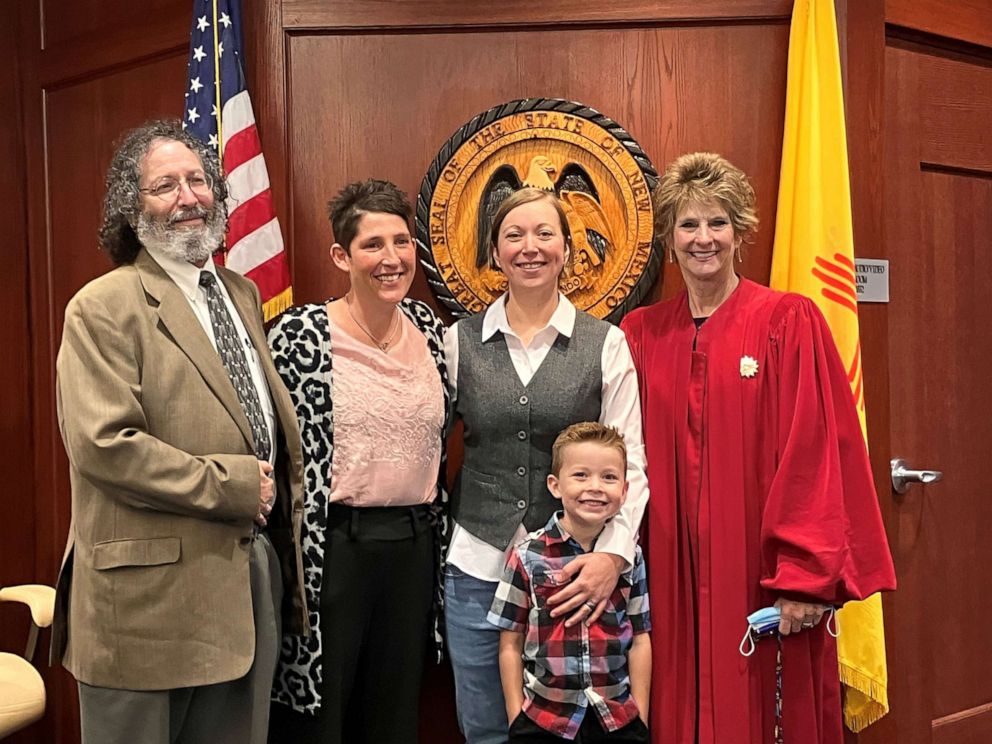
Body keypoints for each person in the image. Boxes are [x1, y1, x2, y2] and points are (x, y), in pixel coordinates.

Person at [619, 152, 897, 744]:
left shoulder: (788, 322)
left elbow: (816, 459)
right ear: (669, 237)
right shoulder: (640, 335)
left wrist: (802, 577)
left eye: (717, 223)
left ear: (740, 232)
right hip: (666, 578)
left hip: (760, 579)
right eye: (688, 225)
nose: (703, 239)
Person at [51, 119, 307, 744]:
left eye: (198, 180)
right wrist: (237, 487)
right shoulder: (102, 305)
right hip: (145, 607)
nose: (188, 197)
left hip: (244, 587)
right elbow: (106, 446)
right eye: (165, 185)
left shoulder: (241, 293)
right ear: (131, 207)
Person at [445, 187, 649, 744]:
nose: (529, 247)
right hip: (477, 565)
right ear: (494, 251)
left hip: (577, 573)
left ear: (566, 248)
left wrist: (614, 554)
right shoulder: (457, 342)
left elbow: (633, 459)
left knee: (572, 728)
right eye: (513, 235)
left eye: (544, 234)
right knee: (487, 725)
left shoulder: (607, 344)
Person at [266, 179, 448, 744]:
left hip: (415, 548)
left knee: (394, 714)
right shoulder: (302, 333)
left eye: (402, 242)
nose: (392, 259)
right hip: (335, 549)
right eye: (373, 245)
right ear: (342, 256)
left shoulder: (431, 329)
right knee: (324, 717)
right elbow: (266, 440)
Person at [489, 422, 651, 744]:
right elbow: (510, 643)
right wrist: (515, 716)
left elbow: (641, 638)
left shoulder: (630, 557)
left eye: (609, 477)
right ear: (555, 485)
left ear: (625, 490)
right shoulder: (526, 555)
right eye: (581, 475)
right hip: (544, 719)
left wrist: (641, 716)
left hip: (616, 719)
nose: (595, 487)